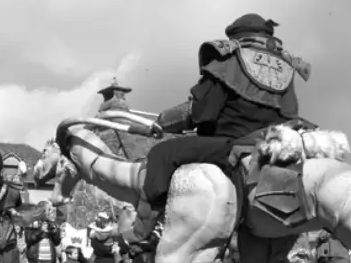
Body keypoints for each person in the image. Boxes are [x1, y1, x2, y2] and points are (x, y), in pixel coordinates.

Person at [126, 14, 310, 243]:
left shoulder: (229, 61)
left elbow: (202, 111)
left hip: (234, 144)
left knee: (161, 153)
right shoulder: (286, 68)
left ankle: (141, 230)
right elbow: (291, 114)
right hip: (274, 142)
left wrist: (163, 121)